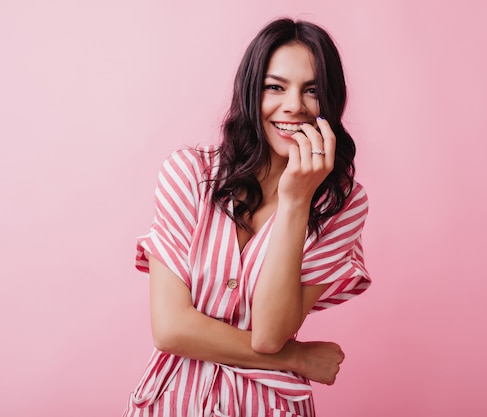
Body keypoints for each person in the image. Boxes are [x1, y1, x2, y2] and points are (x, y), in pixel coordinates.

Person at [123, 17, 371, 417]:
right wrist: (297, 358)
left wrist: (295, 202)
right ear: (250, 91)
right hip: (173, 403)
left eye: (312, 90)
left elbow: (271, 335)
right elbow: (171, 329)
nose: (293, 105)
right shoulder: (189, 174)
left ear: (331, 100)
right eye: (275, 87)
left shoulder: (342, 205)